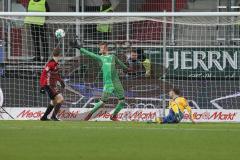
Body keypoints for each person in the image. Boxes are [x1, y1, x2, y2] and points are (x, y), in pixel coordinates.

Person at [70, 40, 131, 121]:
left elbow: (120, 63)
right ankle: (89, 114)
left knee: (122, 101)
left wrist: (127, 69)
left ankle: (114, 116)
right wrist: (79, 48)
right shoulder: (100, 58)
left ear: (105, 49)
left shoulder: (113, 57)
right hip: (108, 83)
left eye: (101, 48)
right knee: (102, 102)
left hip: (117, 82)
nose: (100, 50)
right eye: (100, 48)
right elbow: (90, 54)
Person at [39, 48, 65, 121]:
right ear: (59, 55)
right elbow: (43, 74)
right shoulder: (51, 64)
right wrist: (42, 86)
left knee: (53, 102)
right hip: (48, 86)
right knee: (61, 99)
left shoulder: (55, 64)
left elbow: (57, 75)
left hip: (52, 86)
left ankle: (44, 117)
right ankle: (53, 117)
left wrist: (61, 82)